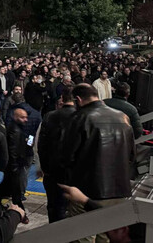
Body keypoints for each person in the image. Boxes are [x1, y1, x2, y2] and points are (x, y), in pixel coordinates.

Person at [61, 83, 135, 242]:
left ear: (78, 100)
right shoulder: (122, 117)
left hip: (87, 190)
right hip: (118, 189)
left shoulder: (79, 118)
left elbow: (66, 156)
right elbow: (131, 155)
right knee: (106, 235)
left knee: (83, 235)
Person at [37, 88, 76, 223]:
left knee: (53, 207)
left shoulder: (49, 116)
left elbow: (41, 145)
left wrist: (44, 168)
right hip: (74, 172)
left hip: (52, 171)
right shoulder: (82, 116)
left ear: (62, 99)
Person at [0, 108, 30, 220]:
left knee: (5, 188)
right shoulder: (15, 130)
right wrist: (15, 165)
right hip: (14, 166)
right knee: (15, 192)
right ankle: (22, 213)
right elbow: (13, 149)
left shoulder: (17, 128)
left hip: (13, 165)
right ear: (16, 117)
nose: (25, 119)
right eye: (22, 117)